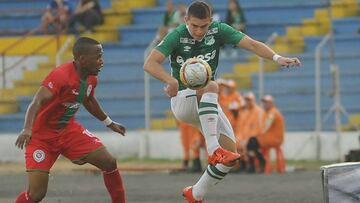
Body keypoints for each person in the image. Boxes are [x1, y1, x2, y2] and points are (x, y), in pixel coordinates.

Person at [143, 1, 300, 202]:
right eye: (194, 26)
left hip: (206, 103)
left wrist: (277, 58)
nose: (199, 31)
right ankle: (212, 149)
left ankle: (196, 193)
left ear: (211, 21)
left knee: (231, 156)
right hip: (183, 100)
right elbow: (150, 63)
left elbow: (251, 44)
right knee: (212, 86)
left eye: (204, 26)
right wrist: (170, 80)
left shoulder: (218, 30)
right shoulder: (177, 34)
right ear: (186, 21)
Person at [14, 37, 126, 203]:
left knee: (109, 162)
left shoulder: (91, 78)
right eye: (98, 56)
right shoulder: (60, 76)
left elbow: (89, 100)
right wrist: (27, 129)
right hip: (41, 138)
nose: (102, 61)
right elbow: (36, 102)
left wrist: (109, 123)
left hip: (68, 131)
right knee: (36, 194)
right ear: (82, 59)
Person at [247, 95, 285, 172]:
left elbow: (266, 127)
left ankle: (259, 162)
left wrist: (257, 134)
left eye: (266, 103)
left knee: (252, 142)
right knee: (252, 142)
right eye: (264, 102)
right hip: (270, 137)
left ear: (271, 103)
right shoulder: (268, 112)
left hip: (274, 138)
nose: (264, 104)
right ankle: (260, 161)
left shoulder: (272, 113)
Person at [240, 92, 265, 173]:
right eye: (246, 100)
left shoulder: (258, 111)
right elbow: (242, 127)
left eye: (249, 100)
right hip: (245, 137)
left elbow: (258, 128)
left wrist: (246, 139)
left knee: (251, 143)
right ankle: (244, 166)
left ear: (253, 101)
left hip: (257, 137)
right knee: (238, 143)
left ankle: (255, 164)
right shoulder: (244, 112)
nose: (247, 102)